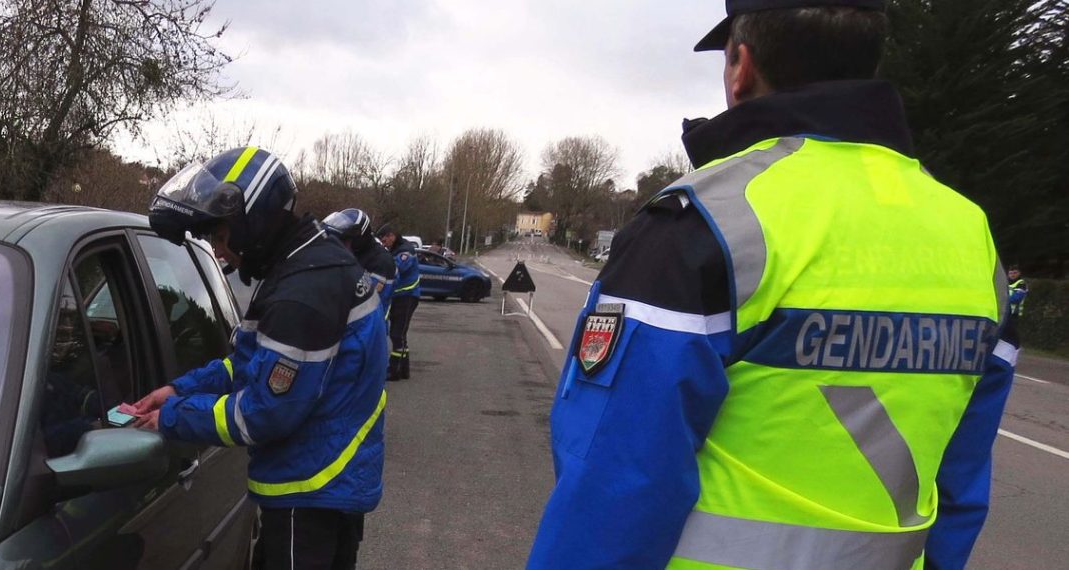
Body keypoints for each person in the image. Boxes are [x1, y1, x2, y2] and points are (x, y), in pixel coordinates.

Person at [528, 2, 1016, 569]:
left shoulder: (707, 222)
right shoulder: (971, 235)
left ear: (742, 67)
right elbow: (959, 492)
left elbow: (615, 487)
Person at [132, 147, 388, 570]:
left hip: (309, 495)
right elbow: (250, 364)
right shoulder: (302, 263)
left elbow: (265, 413)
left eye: (219, 235)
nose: (218, 251)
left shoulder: (302, 292)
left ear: (249, 221)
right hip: (321, 483)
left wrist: (173, 416)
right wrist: (179, 388)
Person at [323, 208, 398, 309]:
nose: (340, 245)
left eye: (344, 240)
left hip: (368, 321)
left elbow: (362, 299)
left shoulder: (381, 261)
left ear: (358, 238)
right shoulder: (357, 253)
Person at [376, 225, 420, 382]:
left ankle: (394, 370)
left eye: (385, 239)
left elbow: (395, 269)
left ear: (392, 235)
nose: (383, 243)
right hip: (401, 296)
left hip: (407, 296)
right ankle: (403, 370)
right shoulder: (396, 249)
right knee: (400, 334)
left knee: (397, 333)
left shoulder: (404, 251)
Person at [1002, 264, 1028, 348]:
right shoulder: (1005, 282)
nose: (1012, 275)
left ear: (1019, 273)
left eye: (1015, 273)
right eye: (1011, 273)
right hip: (1004, 312)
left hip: (1014, 313)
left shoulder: (1021, 283)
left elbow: (1016, 298)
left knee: (1011, 334)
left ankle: (1015, 347)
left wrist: (1002, 300)